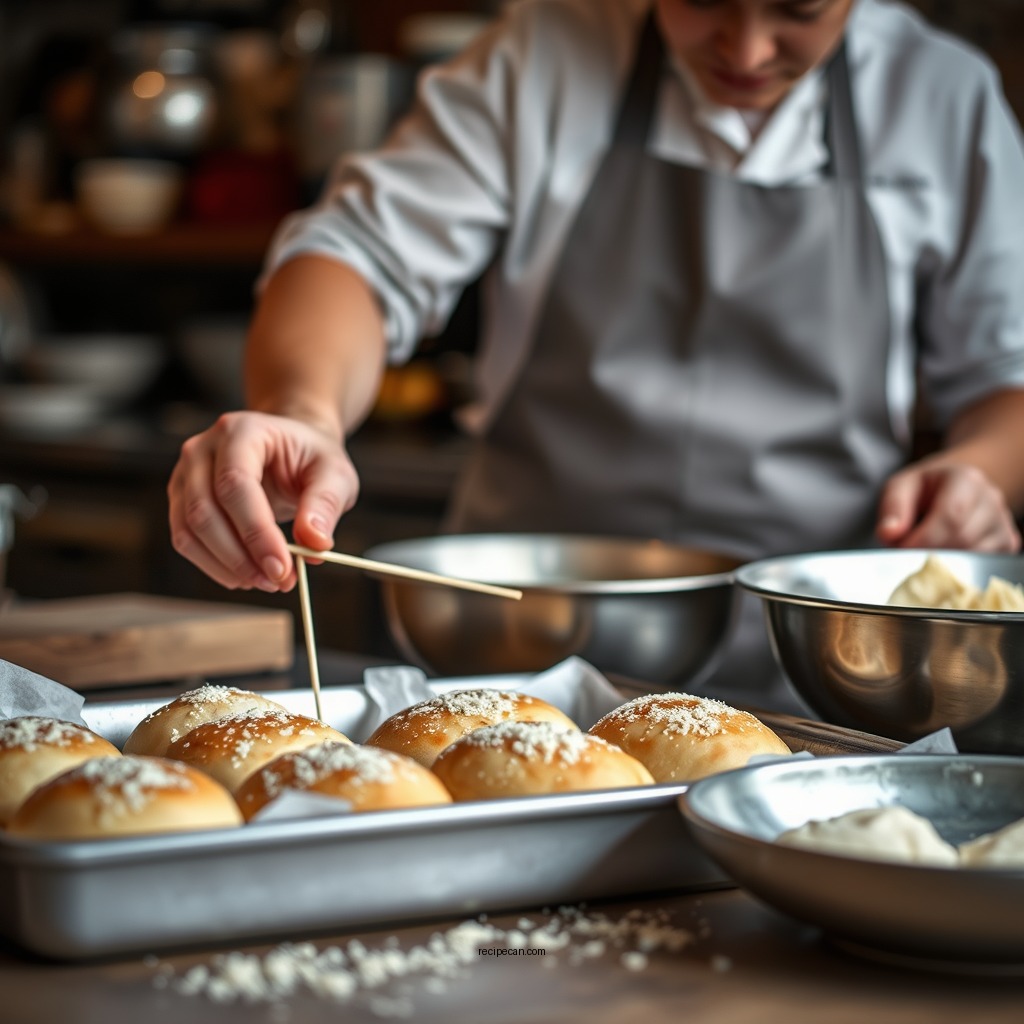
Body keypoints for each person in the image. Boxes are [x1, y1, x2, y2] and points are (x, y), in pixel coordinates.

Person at [168, 0, 1024, 712]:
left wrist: (977, 472)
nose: (747, 49)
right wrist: (304, 414)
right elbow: (355, 258)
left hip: (822, 676)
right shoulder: (542, 55)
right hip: (513, 655)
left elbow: (1007, 376)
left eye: (798, 10)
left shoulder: (939, 97)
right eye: (703, 0)